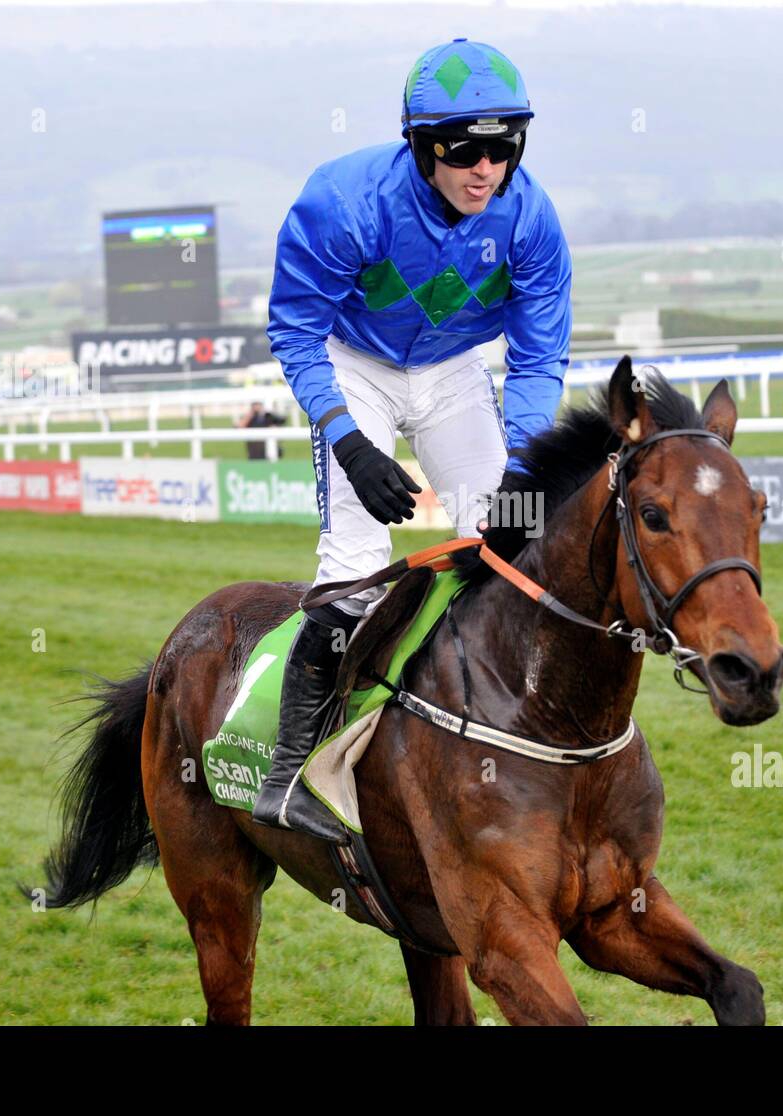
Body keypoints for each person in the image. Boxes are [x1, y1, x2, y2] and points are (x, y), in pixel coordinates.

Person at [253, 38, 572, 842]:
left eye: (504, 149)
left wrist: (525, 468)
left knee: (512, 541)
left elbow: (538, 360)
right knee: (356, 568)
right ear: (423, 144)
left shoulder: (531, 218)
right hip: (350, 363)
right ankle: (288, 773)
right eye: (466, 149)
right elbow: (294, 331)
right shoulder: (344, 202)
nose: (486, 170)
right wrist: (351, 444)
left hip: (452, 373)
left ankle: (494, 743)